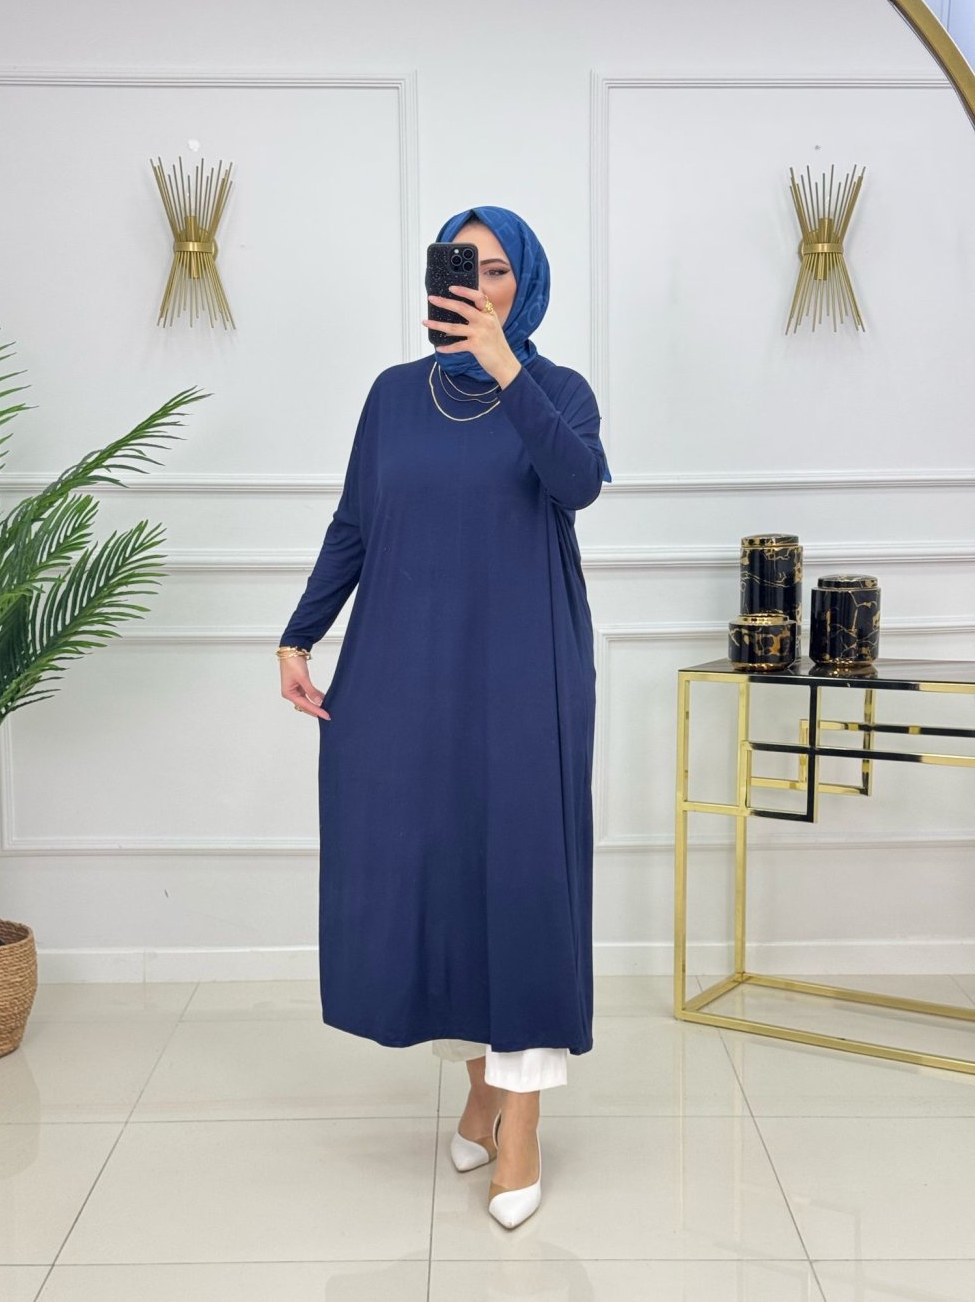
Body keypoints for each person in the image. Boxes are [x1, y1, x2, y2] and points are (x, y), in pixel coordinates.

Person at [277, 204, 612, 1228]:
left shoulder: (559, 391)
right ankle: (480, 1089)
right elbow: (354, 523)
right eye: (463, 265)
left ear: (527, 283)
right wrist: (299, 634)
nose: (478, 282)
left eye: (497, 267)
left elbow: (578, 485)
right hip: (408, 670)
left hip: (524, 674)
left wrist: (506, 368)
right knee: (441, 877)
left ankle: (523, 1124)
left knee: (523, 882)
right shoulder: (393, 396)